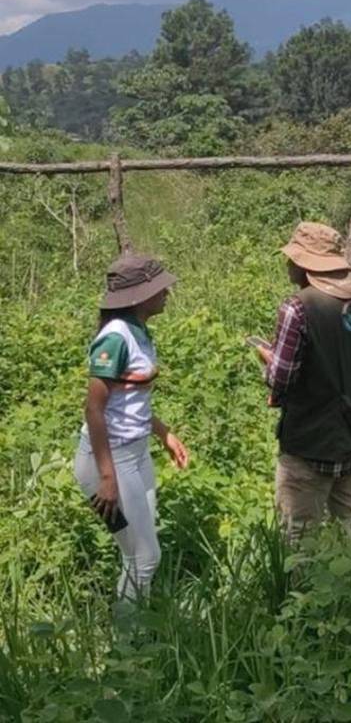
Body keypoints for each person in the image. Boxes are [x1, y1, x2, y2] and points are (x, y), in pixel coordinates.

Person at [74, 255, 189, 606]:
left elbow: (128, 402)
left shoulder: (139, 331)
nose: (166, 293)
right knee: (144, 557)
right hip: (111, 458)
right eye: (159, 288)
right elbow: (94, 409)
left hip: (135, 452)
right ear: (138, 297)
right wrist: (107, 478)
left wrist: (163, 433)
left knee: (140, 550)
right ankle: (128, 650)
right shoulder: (115, 338)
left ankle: (138, 630)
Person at [256, 222, 351, 543]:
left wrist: (269, 360)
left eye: (292, 259)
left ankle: (300, 593)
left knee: (299, 535)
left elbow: (282, 376)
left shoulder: (297, 307)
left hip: (310, 440)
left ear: (304, 264)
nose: (288, 264)